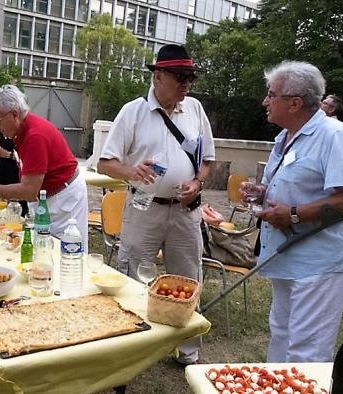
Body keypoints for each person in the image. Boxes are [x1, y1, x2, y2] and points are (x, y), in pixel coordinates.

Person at [97, 44, 215, 365]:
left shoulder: (194, 110)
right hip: (143, 208)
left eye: (190, 77)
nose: (186, 84)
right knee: (134, 277)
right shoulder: (133, 111)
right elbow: (104, 164)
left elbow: (207, 161)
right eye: (180, 76)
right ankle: (135, 348)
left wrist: (197, 182)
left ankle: (188, 352)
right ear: (158, 75)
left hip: (185, 211)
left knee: (189, 278)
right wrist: (130, 171)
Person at [241, 61, 343, 362]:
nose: (265, 101)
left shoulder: (335, 135)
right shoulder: (285, 136)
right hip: (286, 255)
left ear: (295, 103)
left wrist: (292, 214)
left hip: (318, 263)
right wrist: (261, 192)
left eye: (271, 94)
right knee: (282, 335)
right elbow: (292, 184)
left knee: (307, 351)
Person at [0, 85, 89, 250]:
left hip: (64, 199)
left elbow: (28, 190)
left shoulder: (35, 135)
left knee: (65, 252)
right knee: (43, 250)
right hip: (47, 197)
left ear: (14, 114)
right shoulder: (20, 131)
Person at [0, 120, 29, 217]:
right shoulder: (2, 133)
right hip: (2, 172)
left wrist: (8, 155)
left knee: (17, 207)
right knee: (1, 204)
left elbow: (26, 157)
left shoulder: (18, 134)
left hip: (14, 174)